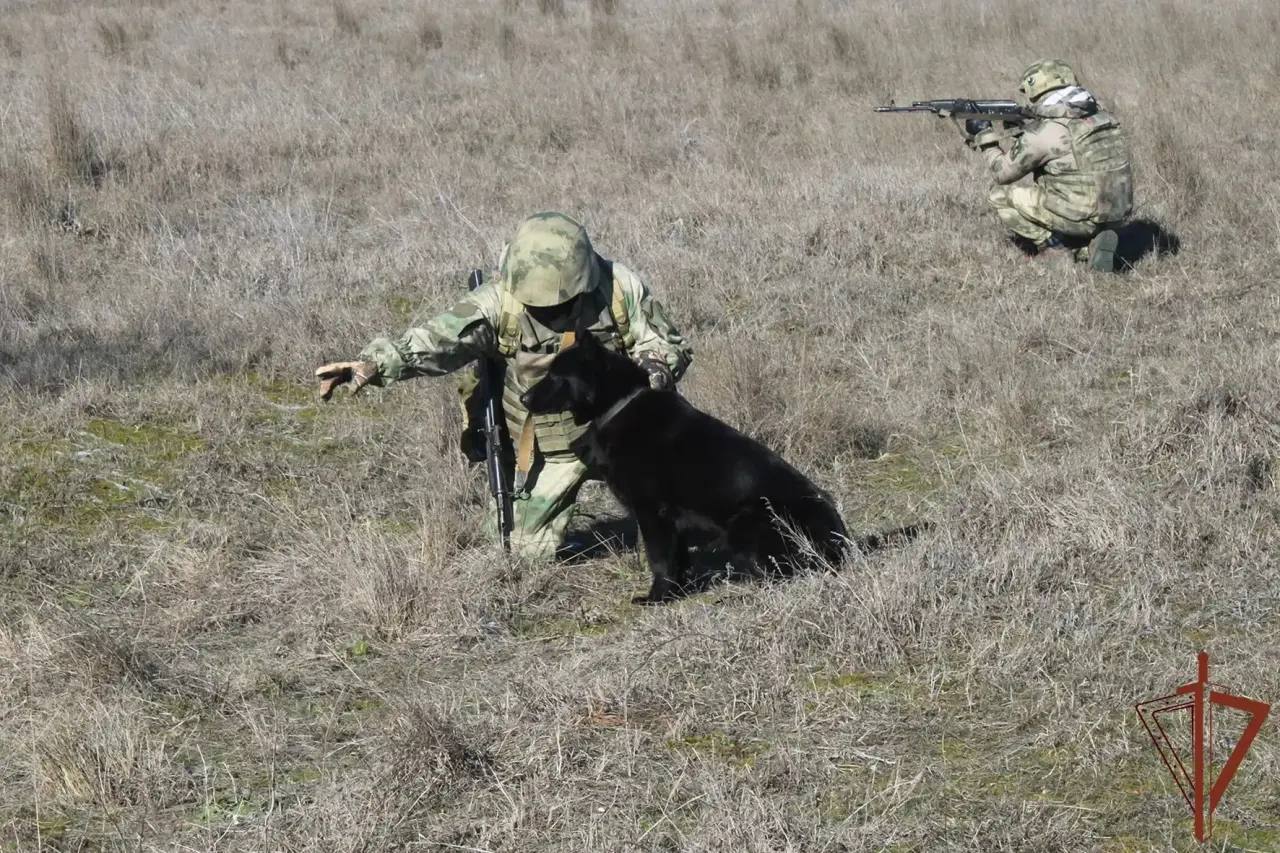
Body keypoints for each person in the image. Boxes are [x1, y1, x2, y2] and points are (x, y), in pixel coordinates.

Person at [314, 211, 692, 561]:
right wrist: (374, 363)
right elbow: (437, 340)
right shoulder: (498, 303)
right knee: (521, 552)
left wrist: (653, 372)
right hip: (550, 448)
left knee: (690, 519)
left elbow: (664, 344)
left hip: (628, 438)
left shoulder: (619, 288)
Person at [961, 59, 1133, 272]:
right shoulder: (1102, 115)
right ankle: (1093, 241)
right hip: (1117, 211)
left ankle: (1054, 249)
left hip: (1080, 215)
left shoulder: (1045, 131)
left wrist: (984, 137)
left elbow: (1002, 173)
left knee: (999, 194)